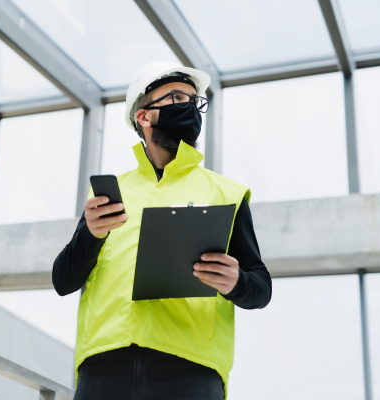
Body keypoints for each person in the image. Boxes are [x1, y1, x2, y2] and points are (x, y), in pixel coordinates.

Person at [53, 61, 272, 400]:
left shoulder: (226, 194)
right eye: (175, 98)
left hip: (190, 372)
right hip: (103, 370)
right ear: (144, 116)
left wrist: (237, 282)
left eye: (194, 100)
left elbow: (261, 287)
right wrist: (90, 234)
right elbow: (63, 280)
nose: (190, 107)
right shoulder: (108, 196)